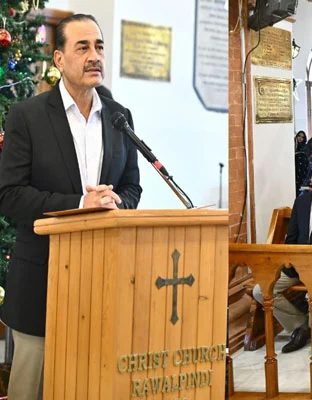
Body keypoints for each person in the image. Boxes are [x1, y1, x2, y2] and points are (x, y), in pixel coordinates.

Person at [0, 14, 142, 399]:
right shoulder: (27, 116)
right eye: (83, 47)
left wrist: (116, 202)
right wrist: (82, 203)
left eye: (99, 46)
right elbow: (10, 194)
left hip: (103, 282)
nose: (94, 55)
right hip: (41, 281)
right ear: (59, 59)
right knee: (31, 388)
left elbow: (132, 185)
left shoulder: (119, 116)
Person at [252, 157, 312, 353]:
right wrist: (292, 261)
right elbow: (292, 237)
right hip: (297, 264)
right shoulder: (302, 200)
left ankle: (306, 330)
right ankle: (300, 326)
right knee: (260, 291)